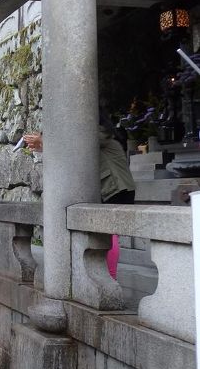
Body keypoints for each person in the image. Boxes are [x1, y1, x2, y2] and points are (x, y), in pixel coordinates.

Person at [24, 114, 135, 278]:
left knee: (108, 234)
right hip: (114, 187)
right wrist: (43, 146)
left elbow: (77, 145)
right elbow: (70, 152)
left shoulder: (98, 133)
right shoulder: (102, 134)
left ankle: (110, 276)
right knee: (108, 234)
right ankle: (108, 275)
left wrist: (45, 141)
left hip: (116, 188)